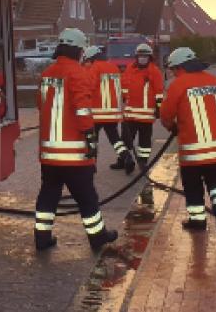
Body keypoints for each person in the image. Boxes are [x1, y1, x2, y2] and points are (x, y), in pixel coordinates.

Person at [34, 28, 119, 252]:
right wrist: (91, 139)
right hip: (73, 155)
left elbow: (41, 107)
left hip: (49, 154)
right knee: (87, 197)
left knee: (48, 195)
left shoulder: (46, 75)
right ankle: (98, 237)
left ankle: (42, 238)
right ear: (78, 51)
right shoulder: (78, 73)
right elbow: (82, 110)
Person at [159, 47, 216, 231]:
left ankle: (198, 221)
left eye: (173, 69)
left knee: (193, 186)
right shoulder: (215, 82)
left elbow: (166, 114)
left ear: (180, 67)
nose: (173, 73)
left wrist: (171, 126)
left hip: (192, 150)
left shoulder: (177, 85)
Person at [82, 45, 133, 174]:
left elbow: (89, 86)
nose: (86, 63)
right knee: (115, 138)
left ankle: (91, 166)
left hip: (97, 112)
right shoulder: (113, 67)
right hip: (113, 113)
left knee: (93, 140)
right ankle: (126, 156)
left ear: (92, 58)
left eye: (87, 61)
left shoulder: (94, 68)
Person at [121, 43, 163, 168]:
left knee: (144, 142)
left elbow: (159, 92)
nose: (142, 58)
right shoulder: (130, 69)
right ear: (136, 56)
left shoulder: (154, 72)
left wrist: (159, 108)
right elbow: (124, 85)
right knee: (126, 139)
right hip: (130, 115)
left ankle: (143, 162)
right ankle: (124, 160)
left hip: (146, 115)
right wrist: (124, 97)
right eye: (140, 56)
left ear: (149, 57)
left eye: (145, 56)